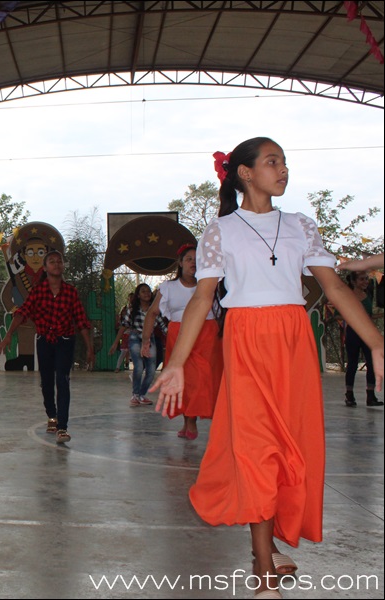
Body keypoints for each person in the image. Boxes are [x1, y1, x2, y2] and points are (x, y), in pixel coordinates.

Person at [151, 137, 384, 597]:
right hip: (246, 340)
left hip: (294, 341)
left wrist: (376, 342)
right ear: (245, 173)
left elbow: (335, 288)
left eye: (285, 162)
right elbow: (202, 297)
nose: (283, 169)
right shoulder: (221, 231)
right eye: (272, 161)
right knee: (255, 449)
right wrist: (175, 363)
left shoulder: (300, 225)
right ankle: (263, 573)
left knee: (293, 446)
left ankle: (269, 543)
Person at [0, 250, 95, 444]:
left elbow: (81, 321)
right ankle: (52, 415)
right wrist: (8, 335)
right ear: (45, 267)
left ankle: (62, 427)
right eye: (52, 261)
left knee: (63, 380)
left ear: (63, 265)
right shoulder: (38, 291)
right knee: (47, 381)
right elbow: (22, 313)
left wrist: (89, 348)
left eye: (59, 261)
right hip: (44, 342)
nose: (56, 264)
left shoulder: (71, 292)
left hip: (65, 341)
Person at [141, 244, 222, 440]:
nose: (193, 263)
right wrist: (145, 340)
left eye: (197, 260)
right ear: (180, 263)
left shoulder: (211, 283)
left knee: (201, 379)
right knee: (183, 379)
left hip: (206, 335)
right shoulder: (168, 287)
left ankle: (192, 421)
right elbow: (152, 313)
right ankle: (188, 420)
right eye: (189, 259)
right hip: (178, 336)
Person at [108, 283, 165, 407]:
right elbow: (124, 326)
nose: (147, 293)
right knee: (138, 366)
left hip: (150, 339)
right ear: (138, 295)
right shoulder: (132, 310)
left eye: (148, 291)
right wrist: (115, 343)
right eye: (143, 291)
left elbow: (163, 326)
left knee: (151, 370)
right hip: (135, 338)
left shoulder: (155, 309)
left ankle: (141, 394)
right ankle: (135, 395)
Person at [341, 271, 381, 407]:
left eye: (366, 279)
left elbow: (369, 315)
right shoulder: (348, 296)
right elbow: (339, 314)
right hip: (353, 332)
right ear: (354, 281)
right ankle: (349, 394)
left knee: (371, 363)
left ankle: (371, 395)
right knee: (352, 364)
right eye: (362, 279)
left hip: (367, 333)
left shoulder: (367, 294)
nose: (365, 282)